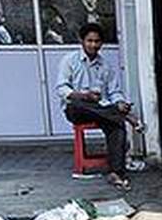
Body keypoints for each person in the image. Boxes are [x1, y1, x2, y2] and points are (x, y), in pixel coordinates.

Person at [56, 23, 138, 190]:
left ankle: (116, 172)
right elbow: (62, 89)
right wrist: (83, 95)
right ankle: (123, 116)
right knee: (81, 104)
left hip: (102, 110)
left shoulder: (105, 65)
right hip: (78, 109)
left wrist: (119, 103)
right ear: (82, 41)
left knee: (117, 124)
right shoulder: (69, 61)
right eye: (89, 41)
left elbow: (114, 92)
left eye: (97, 41)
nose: (93, 45)